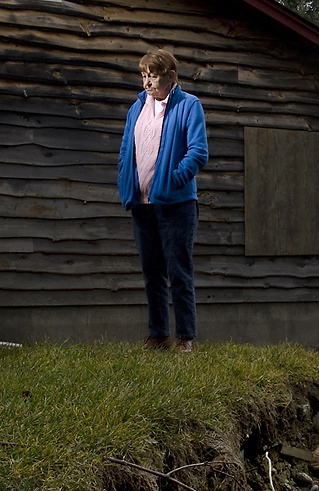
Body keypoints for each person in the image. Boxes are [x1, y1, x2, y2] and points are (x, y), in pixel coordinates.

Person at [117, 49, 208, 352]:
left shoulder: (188, 105)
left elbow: (197, 152)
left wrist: (172, 181)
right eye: (144, 75)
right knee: (151, 271)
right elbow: (125, 152)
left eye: (153, 75)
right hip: (142, 204)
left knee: (178, 271)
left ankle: (185, 337)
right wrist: (124, 180)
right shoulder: (137, 109)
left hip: (176, 205)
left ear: (170, 76)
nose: (147, 82)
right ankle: (158, 334)